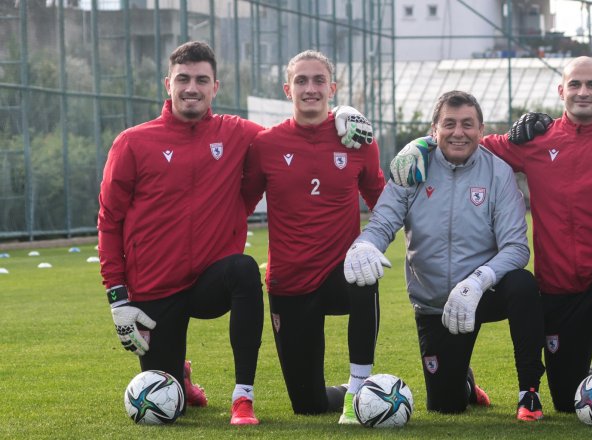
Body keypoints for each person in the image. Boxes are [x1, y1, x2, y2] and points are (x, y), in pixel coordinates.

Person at [98, 42, 372, 426]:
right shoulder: (132, 142)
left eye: (201, 80)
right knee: (167, 403)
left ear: (215, 87)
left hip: (211, 281)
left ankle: (243, 398)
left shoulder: (238, 133)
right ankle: (182, 376)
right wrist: (117, 298)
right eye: (183, 79)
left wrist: (342, 113)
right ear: (168, 84)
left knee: (244, 269)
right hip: (154, 287)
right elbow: (110, 219)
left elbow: (297, 131)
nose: (191, 87)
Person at [387, 58, 592, 421]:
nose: (582, 92)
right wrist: (423, 143)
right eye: (575, 85)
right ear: (561, 91)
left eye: (591, 85)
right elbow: (471, 139)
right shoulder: (536, 140)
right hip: (560, 289)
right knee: (568, 403)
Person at [344, 90, 546, 421]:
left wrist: (478, 282)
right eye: (449, 124)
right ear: (434, 130)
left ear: (481, 131)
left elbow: (516, 247)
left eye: (468, 124)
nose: (458, 132)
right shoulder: (411, 168)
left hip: (485, 292)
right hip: (435, 303)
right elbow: (382, 224)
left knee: (523, 286)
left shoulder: (498, 172)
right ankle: (464, 382)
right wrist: (366, 245)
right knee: (446, 405)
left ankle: (529, 394)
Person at [240, 50, 385, 424]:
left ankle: (359, 387)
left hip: (340, 274)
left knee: (363, 271)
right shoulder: (266, 144)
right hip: (290, 282)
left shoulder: (358, 139)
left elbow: (382, 201)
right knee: (308, 405)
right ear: (287, 90)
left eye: (318, 80)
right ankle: (358, 392)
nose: (310, 88)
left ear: (332, 88)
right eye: (301, 81)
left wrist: (371, 242)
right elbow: (239, 205)